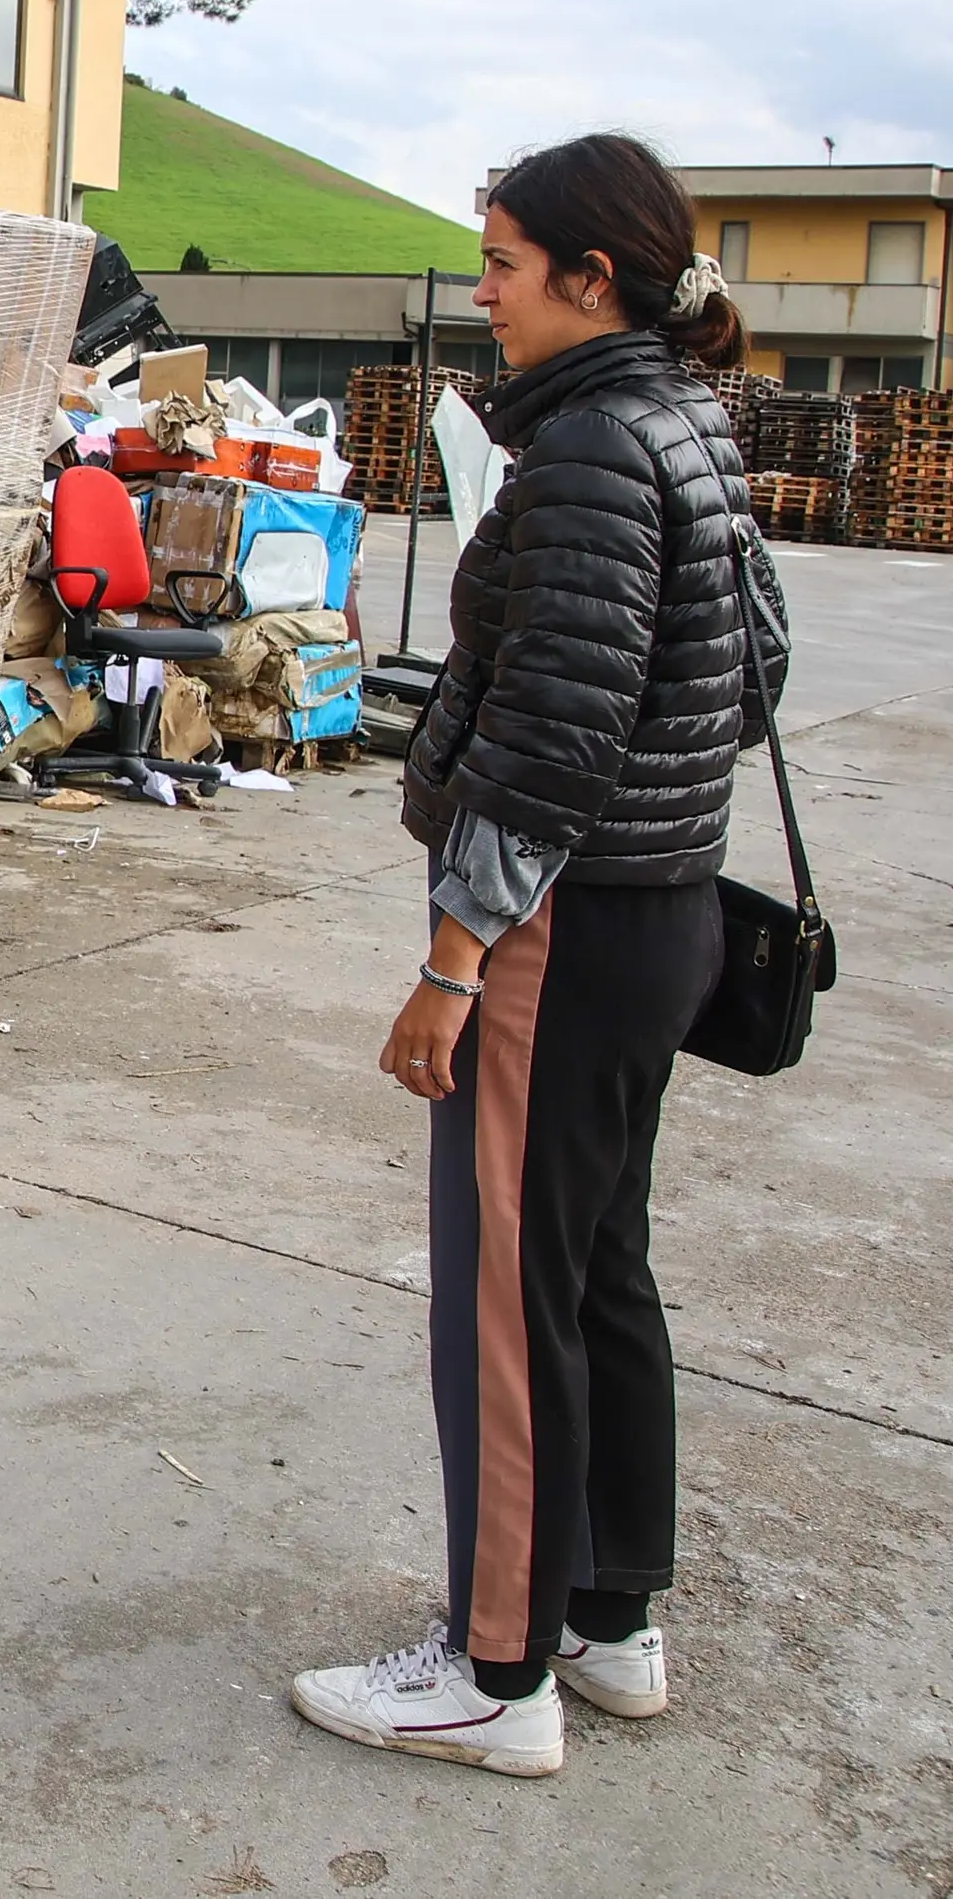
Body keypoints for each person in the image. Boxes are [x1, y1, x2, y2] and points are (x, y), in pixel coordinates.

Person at [289, 131, 759, 1780]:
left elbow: (550, 743)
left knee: (503, 1296)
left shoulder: (583, 454)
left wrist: (454, 956)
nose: (481, 295)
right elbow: (752, 673)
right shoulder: (686, 423)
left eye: (499, 264)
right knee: (594, 1267)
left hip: (563, 924)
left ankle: (496, 1673)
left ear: (591, 277)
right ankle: (607, 1619)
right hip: (667, 911)